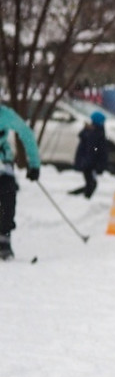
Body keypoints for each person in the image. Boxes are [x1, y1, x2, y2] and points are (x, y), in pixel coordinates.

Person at [0, 103, 42, 261]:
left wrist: (34, 164)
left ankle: (4, 237)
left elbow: (26, 134)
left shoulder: (5, 115)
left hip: (3, 165)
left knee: (8, 196)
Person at [69, 111, 108, 199]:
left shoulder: (92, 132)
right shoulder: (95, 133)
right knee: (91, 183)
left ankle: (80, 196)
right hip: (90, 164)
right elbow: (94, 151)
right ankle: (83, 198)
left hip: (89, 163)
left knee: (91, 183)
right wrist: (95, 164)